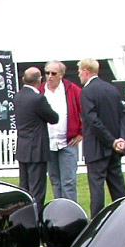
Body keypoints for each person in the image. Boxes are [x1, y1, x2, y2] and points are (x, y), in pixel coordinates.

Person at [78, 58, 125, 217]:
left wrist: (111, 141)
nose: (79, 75)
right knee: (118, 186)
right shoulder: (112, 89)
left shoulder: (87, 91)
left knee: (97, 187)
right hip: (114, 147)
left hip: (98, 147)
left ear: (86, 71)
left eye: (79, 71)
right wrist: (121, 139)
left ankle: (97, 221)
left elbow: (93, 121)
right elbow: (123, 117)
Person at [13, 67, 59, 212]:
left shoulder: (18, 97)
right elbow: (54, 118)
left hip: (23, 147)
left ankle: (23, 217)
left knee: (24, 187)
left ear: (23, 80)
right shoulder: (38, 99)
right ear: (39, 80)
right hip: (37, 148)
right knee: (37, 189)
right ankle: (36, 218)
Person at [42, 61, 83, 202]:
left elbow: (86, 111)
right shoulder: (41, 91)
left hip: (68, 143)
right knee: (55, 181)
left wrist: (81, 133)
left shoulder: (73, 90)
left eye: (53, 73)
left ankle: (71, 215)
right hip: (48, 143)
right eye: (47, 73)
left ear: (61, 75)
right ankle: (59, 213)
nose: (49, 76)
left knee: (68, 182)